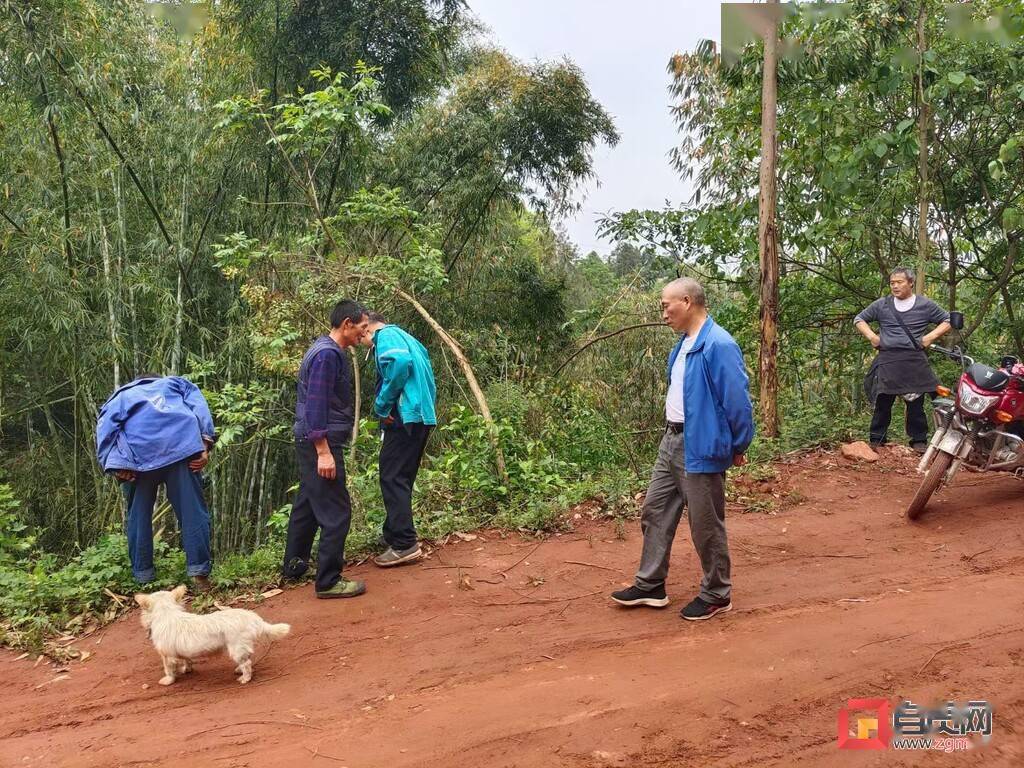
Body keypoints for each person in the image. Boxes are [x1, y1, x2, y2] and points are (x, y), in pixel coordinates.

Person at [611, 278, 754, 621]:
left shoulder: (718, 344)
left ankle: (717, 593)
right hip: (671, 441)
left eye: (665, 305)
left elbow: (738, 401)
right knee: (655, 511)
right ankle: (650, 585)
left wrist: (738, 444)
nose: (662, 313)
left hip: (701, 442)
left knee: (705, 523)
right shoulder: (684, 343)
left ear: (687, 302)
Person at [281, 300, 369, 599]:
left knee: (307, 502)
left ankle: (294, 565)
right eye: (361, 327)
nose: (364, 333)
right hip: (321, 441)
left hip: (313, 439)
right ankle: (329, 581)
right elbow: (316, 404)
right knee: (336, 510)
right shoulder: (327, 355)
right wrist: (324, 450)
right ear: (347, 323)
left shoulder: (324, 349)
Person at [96, 374, 216, 590]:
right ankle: (200, 576)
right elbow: (199, 405)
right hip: (181, 448)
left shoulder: (122, 395)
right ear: (156, 379)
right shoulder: (175, 383)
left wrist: (114, 465)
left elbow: (105, 428)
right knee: (192, 511)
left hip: (138, 458)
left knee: (138, 518)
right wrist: (205, 444)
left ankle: (143, 578)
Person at [359, 312, 437, 567]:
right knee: (401, 476)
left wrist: (382, 406)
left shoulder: (387, 336)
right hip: (420, 415)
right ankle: (395, 533)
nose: (361, 340)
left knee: (391, 476)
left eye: (361, 335)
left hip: (405, 417)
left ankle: (404, 543)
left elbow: (400, 364)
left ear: (368, 327)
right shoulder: (408, 337)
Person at [854, 267, 952, 452]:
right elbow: (860, 319)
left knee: (916, 402)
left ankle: (919, 441)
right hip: (888, 359)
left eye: (899, 282)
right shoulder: (882, 304)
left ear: (911, 283)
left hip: (913, 359)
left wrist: (929, 338)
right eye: (892, 283)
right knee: (883, 400)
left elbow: (948, 320)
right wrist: (872, 337)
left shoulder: (925, 304)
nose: (895, 286)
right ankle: (877, 440)